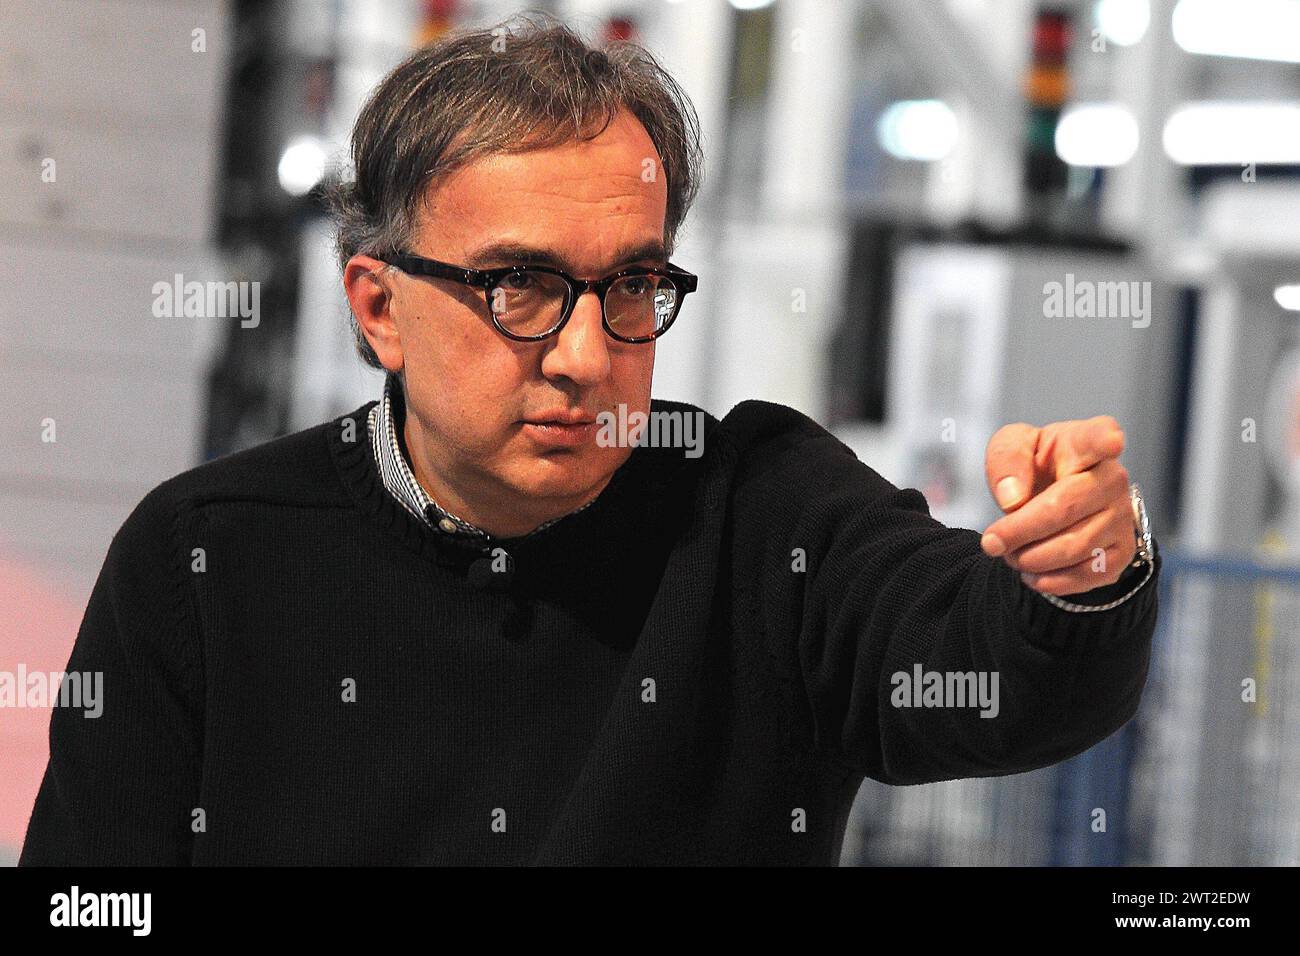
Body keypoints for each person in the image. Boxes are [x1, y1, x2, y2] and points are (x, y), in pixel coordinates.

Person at [20, 14, 1159, 866]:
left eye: (630, 283)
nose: (582, 352)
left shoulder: (763, 516)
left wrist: (1080, 571)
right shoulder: (208, 557)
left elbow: (992, 673)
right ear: (378, 307)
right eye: (519, 284)